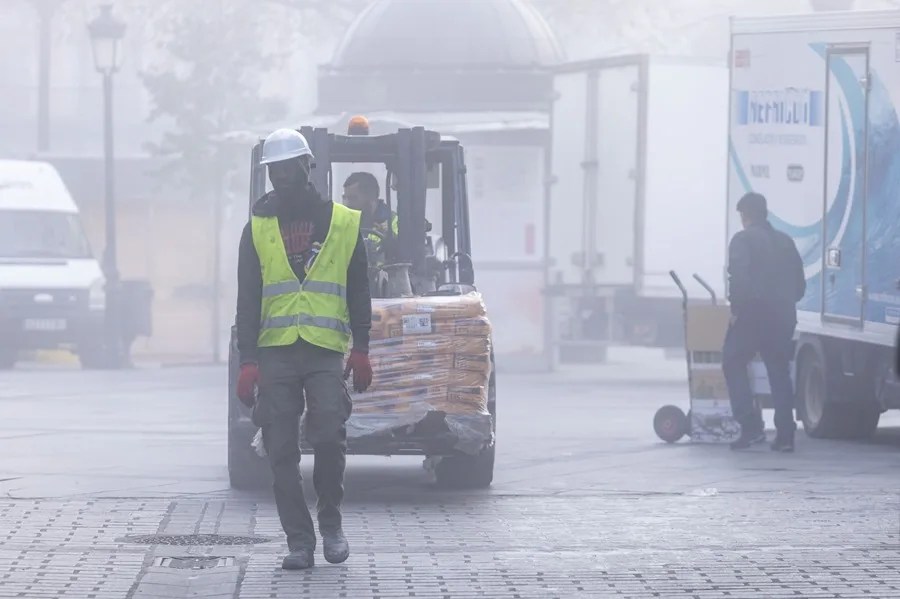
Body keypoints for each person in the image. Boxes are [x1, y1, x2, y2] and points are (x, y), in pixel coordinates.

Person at [234, 128, 374, 570]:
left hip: (323, 349)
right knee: (279, 448)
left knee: (330, 435)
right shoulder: (256, 228)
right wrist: (248, 360)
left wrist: (362, 348)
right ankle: (300, 541)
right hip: (275, 352)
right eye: (273, 171)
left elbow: (359, 290)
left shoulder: (344, 222)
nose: (280, 178)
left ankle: (330, 523)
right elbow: (248, 296)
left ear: (306, 167)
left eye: (287, 169)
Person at [723, 192, 806, 452]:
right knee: (778, 371)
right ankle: (785, 435)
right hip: (783, 315)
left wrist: (737, 309)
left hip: (753, 313)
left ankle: (750, 427)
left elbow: (739, 278)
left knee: (732, 360)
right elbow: (800, 286)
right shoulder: (785, 241)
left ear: (745, 215)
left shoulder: (742, 240)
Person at [342, 172, 399, 264]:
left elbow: (403, 256)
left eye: (353, 198)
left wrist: (389, 238)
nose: (347, 204)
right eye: (345, 198)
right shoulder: (344, 222)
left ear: (371, 198)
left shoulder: (394, 223)